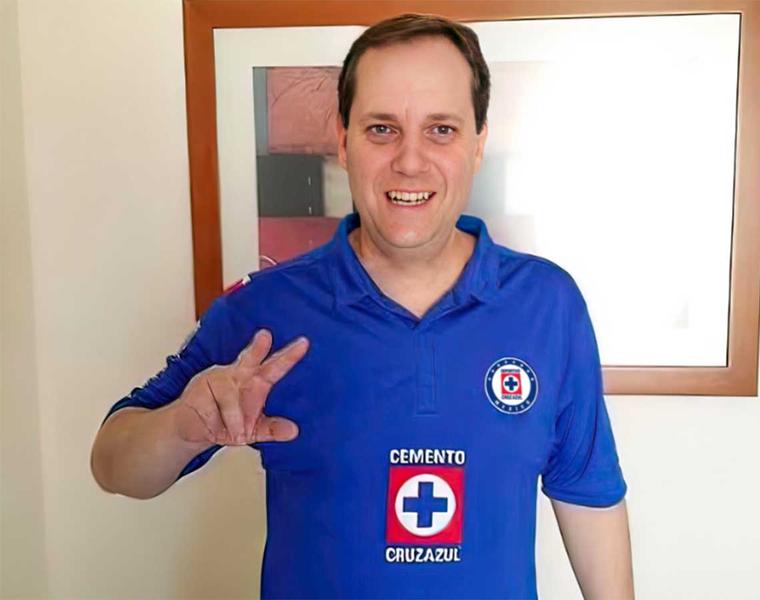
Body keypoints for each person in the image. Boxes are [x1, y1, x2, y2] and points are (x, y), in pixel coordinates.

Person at [91, 13, 633, 599]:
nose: (410, 160)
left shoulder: (547, 304)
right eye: (381, 129)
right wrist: (181, 427)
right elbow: (113, 465)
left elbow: (588, 493)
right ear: (343, 140)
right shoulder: (266, 308)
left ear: (478, 143)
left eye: (441, 129)